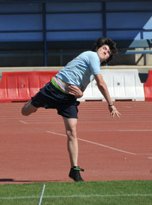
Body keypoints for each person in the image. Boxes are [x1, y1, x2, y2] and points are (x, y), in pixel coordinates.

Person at [21, 37, 121, 182]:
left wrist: (80, 94)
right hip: (54, 89)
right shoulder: (91, 55)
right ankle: (33, 102)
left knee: (72, 131)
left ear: (107, 58)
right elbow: (101, 83)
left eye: (108, 52)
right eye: (104, 48)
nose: (105, 51)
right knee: (25, 112)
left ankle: (74, 170)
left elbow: (81, 89)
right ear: (98, 48)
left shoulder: (93, 71)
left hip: (68, 99)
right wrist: (110, 104)